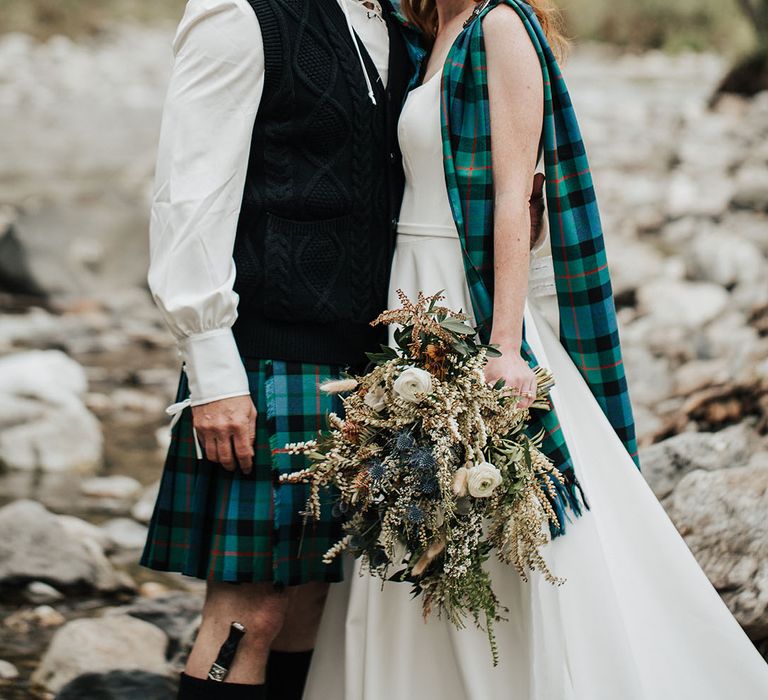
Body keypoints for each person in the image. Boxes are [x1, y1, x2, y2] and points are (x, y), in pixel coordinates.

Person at [303, 1, 768, 698]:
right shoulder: (433, 34)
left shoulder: (500, 25)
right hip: (409, 299)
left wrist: (505, 347)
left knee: (493, 514)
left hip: (465, 299)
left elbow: (514, 196)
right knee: (410, 504)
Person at [140, 1, 412, 697]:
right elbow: (188, 195)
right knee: (249, 614)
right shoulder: (241, 14)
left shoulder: (399, 23)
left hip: (367, 369)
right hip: (264, 359)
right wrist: (211, 368)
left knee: (312, 605)